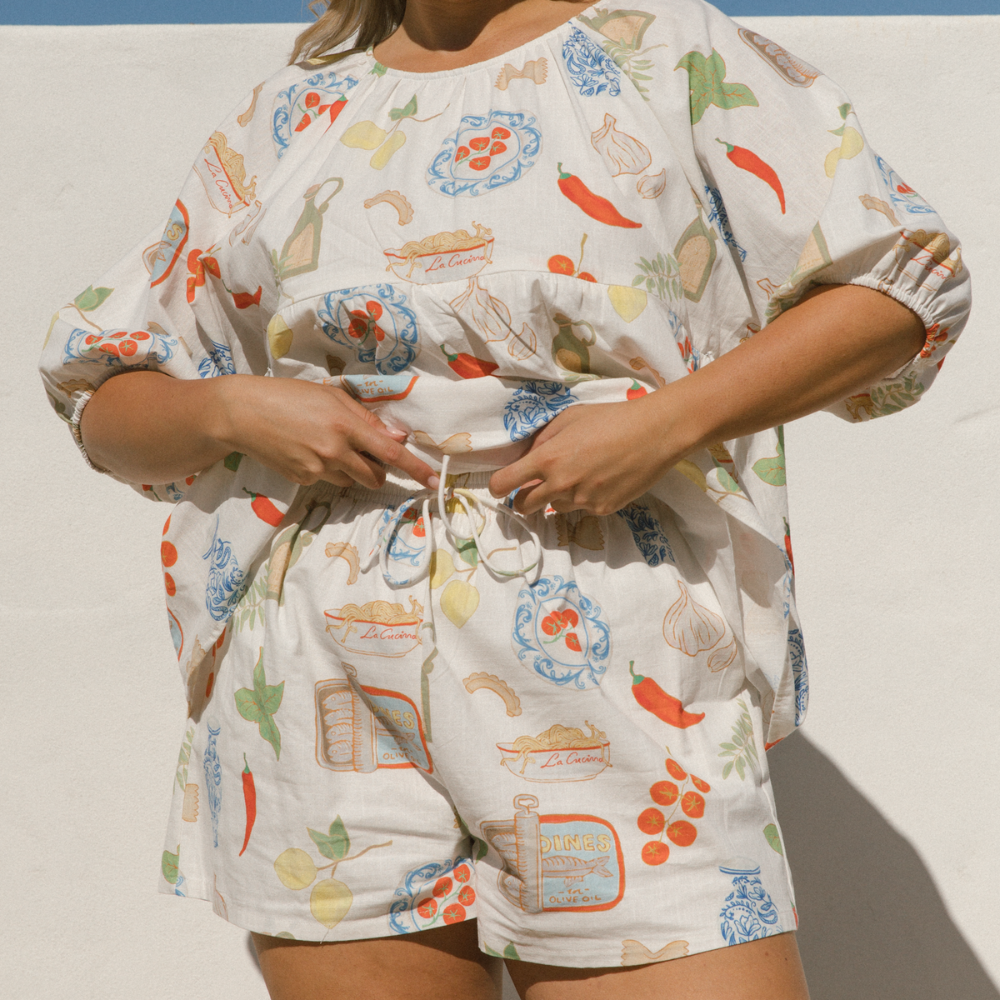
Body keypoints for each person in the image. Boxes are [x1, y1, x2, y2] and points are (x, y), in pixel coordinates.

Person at [38, 0, 969, 997]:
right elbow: (103, 395)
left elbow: (900, 288)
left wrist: (665, 425)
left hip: (607, 629)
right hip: (319, 658)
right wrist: (231, 407)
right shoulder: (291, 113)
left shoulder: (663, 47)